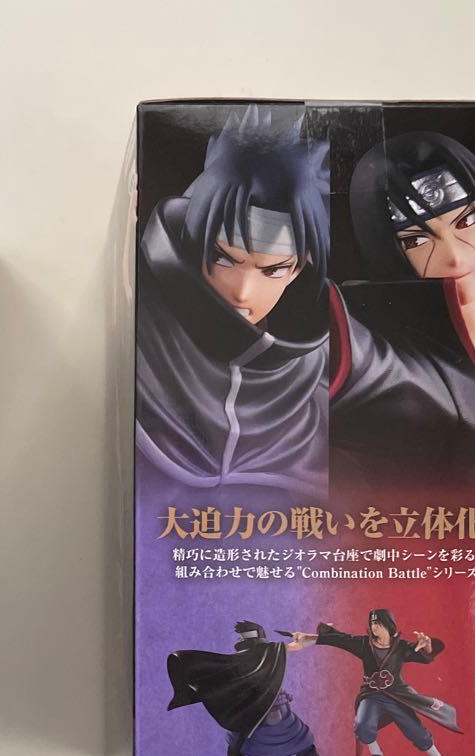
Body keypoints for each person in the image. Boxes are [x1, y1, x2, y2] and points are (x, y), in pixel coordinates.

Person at [136, 105, 332, 498]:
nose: (242, 292)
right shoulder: (140, 330)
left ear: (298, 270)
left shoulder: (316, 360)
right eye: (224, 259)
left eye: (272, 270)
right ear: (196, 241)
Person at [349, 131, 475, 402]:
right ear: (391, 253)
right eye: (416, 240)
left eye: (464, 221)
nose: (454, 256)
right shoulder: (404, 376)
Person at [167, 620, 346, 756]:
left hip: (271, 708)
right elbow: (296, 646)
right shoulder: (256, 655)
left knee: (296, 738)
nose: (240, 640)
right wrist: (319, 637)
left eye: (242, 637)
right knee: (243, 740)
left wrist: (319, 637)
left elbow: (297, 645)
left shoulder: (268, 652)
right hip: (252, 709)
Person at [290, 609, 460, 756]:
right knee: (362, 725)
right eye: (372, 624)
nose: (374, 627)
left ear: (388, 625)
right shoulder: (364, 644)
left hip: (397, 695)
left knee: (416, 731)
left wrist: (427, 646)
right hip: (371, 695)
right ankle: (376, 754)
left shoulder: (401, 647)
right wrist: (306, 637)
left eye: (378, 623)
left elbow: (424, 656)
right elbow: (340, 640)